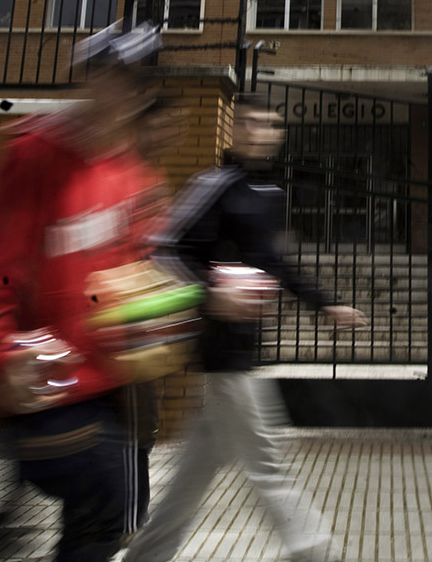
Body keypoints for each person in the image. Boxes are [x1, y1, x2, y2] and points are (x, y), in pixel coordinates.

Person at [122, 94, 367, 562]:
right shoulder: (212, 184)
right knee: (267, 459)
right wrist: (211, 290)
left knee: (194, 471)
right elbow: (165, 249)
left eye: (269, 124)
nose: (260, 131)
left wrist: (326, 303)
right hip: (221, 350)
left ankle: (146, 555)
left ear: (279, 135)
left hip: (243, 348)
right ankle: (313, 551)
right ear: (233, 129)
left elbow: (275, 263)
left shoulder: (268, 194)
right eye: (250, 122)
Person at [0, 23, 165, 562]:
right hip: (39, 379)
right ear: (86, 79)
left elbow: (136, 268)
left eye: (135, 82)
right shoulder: (36, 153)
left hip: (104, 383)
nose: (123, 92)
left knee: (80, 522)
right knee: (101, 491)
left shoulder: (132, 172)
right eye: (110, 77)